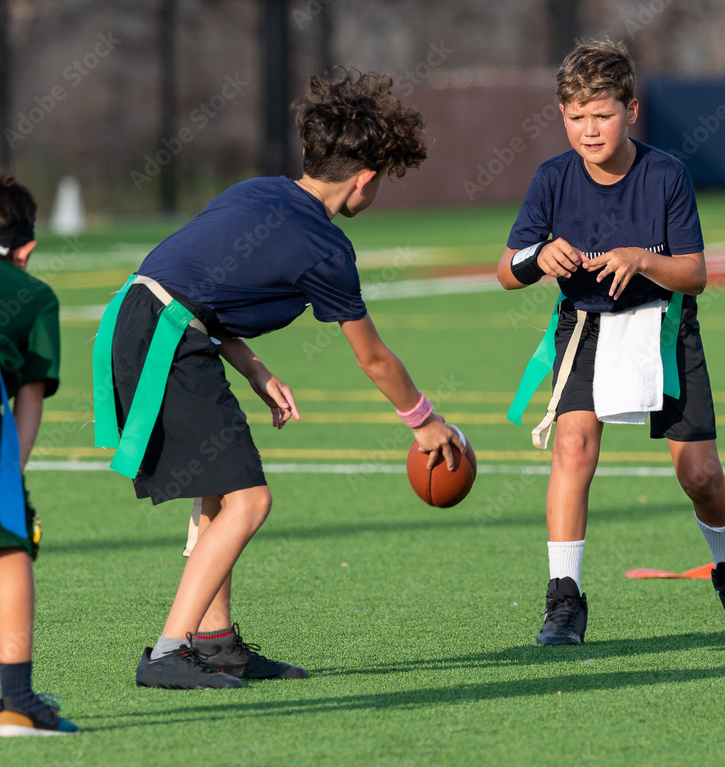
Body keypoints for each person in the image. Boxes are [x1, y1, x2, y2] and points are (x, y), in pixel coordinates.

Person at [93, 68, 466, 689]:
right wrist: (425, 423)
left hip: (143, 318)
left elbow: (197, 285)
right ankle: (166, 652)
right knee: (250, 499)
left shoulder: (258, 191)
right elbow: (372, 357)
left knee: (222, 487)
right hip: (165, 335)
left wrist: (256, 369)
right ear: (365, 178)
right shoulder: (326, 247)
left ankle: (216, 645)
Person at [496, 39, 725, 646]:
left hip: (664, 325)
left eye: (602, 113)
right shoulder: (552, 178)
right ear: (562, 116)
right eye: (576, 116)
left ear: (631, 111)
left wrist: (642, 260)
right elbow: (506, 266)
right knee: (572, 445)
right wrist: (538, 255)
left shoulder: (666, 174)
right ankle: (564, 599)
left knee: (699, 473)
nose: (589, 129)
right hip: (585, 327)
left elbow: (695, 273)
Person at [0, 167, 79, 735]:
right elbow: (29, 396)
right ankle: (15, 704)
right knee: (6, 545)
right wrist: (12, 479)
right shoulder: (33, 293)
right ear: (24, 251)